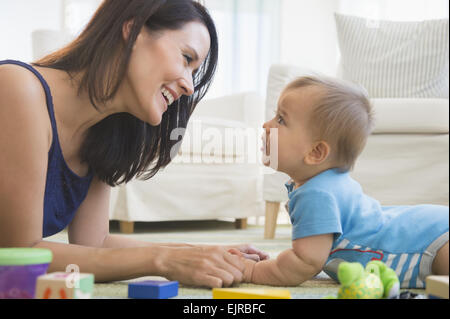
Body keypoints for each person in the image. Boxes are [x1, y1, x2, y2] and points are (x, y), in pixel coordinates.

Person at [0, 0, 268, 288]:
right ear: (134, 30)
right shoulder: (16, 89)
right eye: (186, 57)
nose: (190, 86)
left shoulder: (101, 133)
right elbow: (19, 255)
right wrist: (163, 260)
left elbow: (96, 244)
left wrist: (199, 254)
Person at [230, 75, 449, 289]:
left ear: (316, 152)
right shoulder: (323, 184)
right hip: (430, 226)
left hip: (432, 243)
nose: (266, 125)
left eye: (281, 120)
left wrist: (251, 271)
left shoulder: (316, 194)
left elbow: (304, 262)